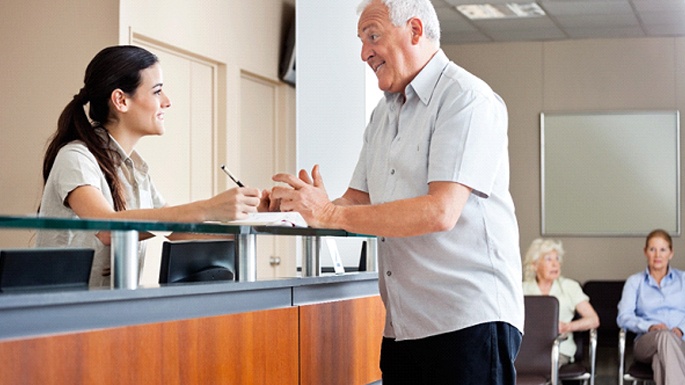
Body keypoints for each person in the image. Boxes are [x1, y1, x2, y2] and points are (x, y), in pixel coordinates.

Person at [269, 0, 524, 383]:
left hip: (468, 320)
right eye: (360, 40)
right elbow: (356, 201)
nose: (363, 53)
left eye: (373, 37)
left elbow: (441, 211)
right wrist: (295, 207)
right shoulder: (383, 114)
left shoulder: (466, 99)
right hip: (405, 326)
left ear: (415, 32)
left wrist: (329, 214)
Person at [36, 45, 267, 287]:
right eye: (157, 92)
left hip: (109, 308)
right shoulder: (75, 157)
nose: (167, 102)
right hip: (63, 312)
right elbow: (107, 229)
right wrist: (208, 208)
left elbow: (176, 230)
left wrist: (256, 218)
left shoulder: (136, 170)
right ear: (121, 100)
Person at [617, 229, 685, 385]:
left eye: (663, 250)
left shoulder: (684, 280)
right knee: (664, 336)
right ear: (645, 252)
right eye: (652, 249)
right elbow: (623, 317)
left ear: (671, 253)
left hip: (681, 341)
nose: (658, 255)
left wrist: (681, 329)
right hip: (646, 343)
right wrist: (650, 326)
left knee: (659, 360)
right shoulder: (635, 282)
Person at [522, 238, 600, 366]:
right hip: (526, 349)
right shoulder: (522, 289)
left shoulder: (569, 286)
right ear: (534, 265)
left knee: (545, 365)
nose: (555, 264)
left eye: (557, 259)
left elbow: (593, 320)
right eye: (549, 259)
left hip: (558, 349)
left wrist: (567, 326)